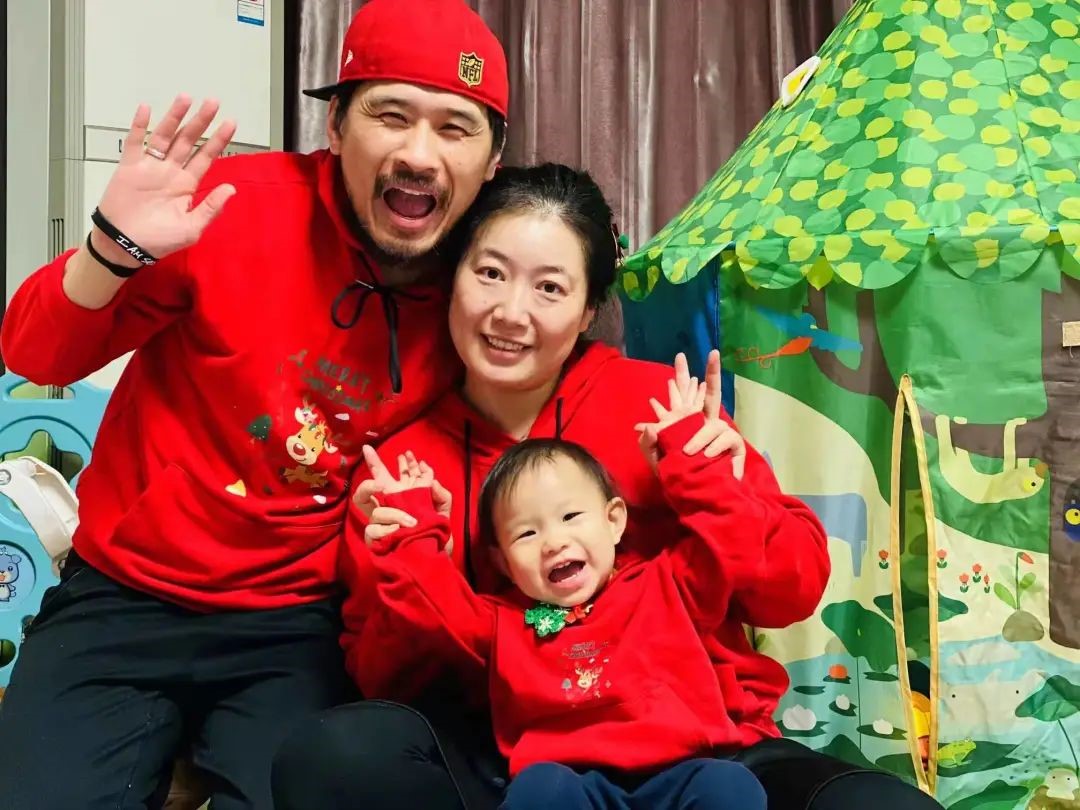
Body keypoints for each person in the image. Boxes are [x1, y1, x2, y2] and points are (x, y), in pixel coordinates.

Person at [273, 163, 945, 810]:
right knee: (332, 757)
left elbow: (789, 591)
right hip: (516, 756)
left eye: (550, 288)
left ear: (590, 309)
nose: (510, 312)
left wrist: (718, 486)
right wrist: (411, 562)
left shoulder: (664, 409)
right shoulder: (404, 467)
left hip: (706, 749)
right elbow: (382, 678)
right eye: (490, 273)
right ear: (453, 278)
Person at [0, 1, 508, 807]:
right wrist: (109, 248)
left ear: (492, 160)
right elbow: (33, 354)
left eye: (455, 128)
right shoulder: (234, 206)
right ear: (335, 125)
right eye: (391, 115)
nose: (419, 154)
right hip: (124, 590)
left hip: (294, 623)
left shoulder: (485, 283)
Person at [353, 366, 768, 810]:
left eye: (571, 517)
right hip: (571, 784)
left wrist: (691, 460)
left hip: (683, 773)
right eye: (526, 534)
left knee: (732, 785)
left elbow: (734, 544)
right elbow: (430, 609)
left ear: (614, 521)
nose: (553, 542)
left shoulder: (669, 583)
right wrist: (413, 527)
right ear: (502, 563)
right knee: (539, 789)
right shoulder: (500, 622)